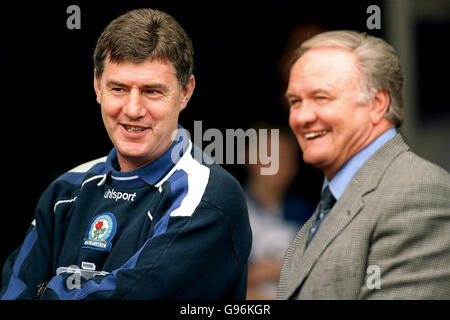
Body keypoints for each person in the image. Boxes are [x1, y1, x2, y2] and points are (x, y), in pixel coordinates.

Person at [0, 8, 251, 300]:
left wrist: (45, 290)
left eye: (152, 91)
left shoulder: (209, 196)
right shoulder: (64, 190)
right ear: (97, 86)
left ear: (186, 92)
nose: (132, 109)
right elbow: (13, 293)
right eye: (118, 88)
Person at [277, 30, 450, 299]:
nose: (302, 117)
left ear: (377, 104)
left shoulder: (418, 193)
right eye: (295, 102)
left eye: (322, 97)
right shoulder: (333, 200)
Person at [244, 124, 314, 299]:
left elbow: (324, 271)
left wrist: (272, 270)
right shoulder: (227, 211)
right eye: (271, 156)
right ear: (249, 157)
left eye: (288, 158)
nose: (280, 165)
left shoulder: (309, 214)